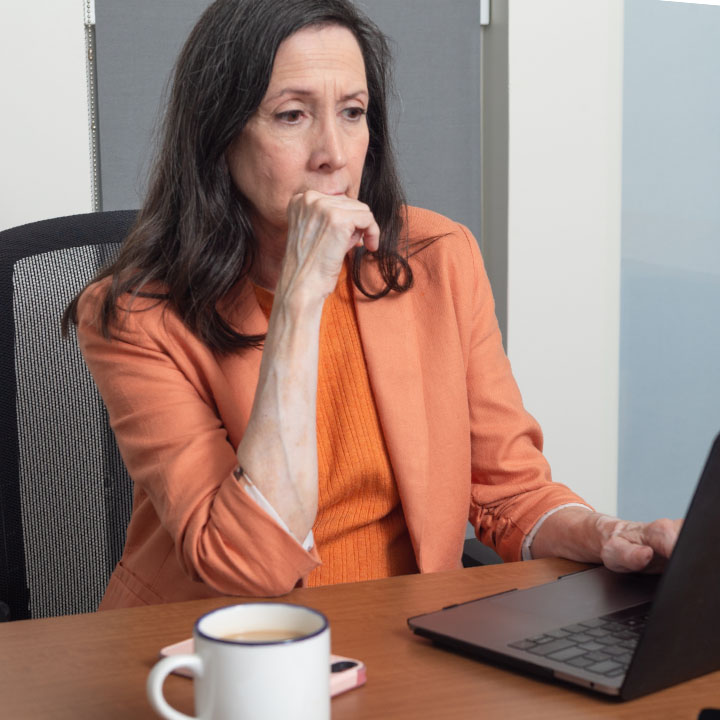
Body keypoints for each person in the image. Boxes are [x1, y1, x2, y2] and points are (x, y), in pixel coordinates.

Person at [64, 0, 680, 610]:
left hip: (402, 645)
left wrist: (606, 534)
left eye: (353, 113)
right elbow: (249, 564)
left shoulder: (440, 258)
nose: (333, 151)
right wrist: (302, 296)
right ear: (219, 136)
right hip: (217, 655)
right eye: (292, 115)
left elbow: (510, 492)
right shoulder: (135, 317)